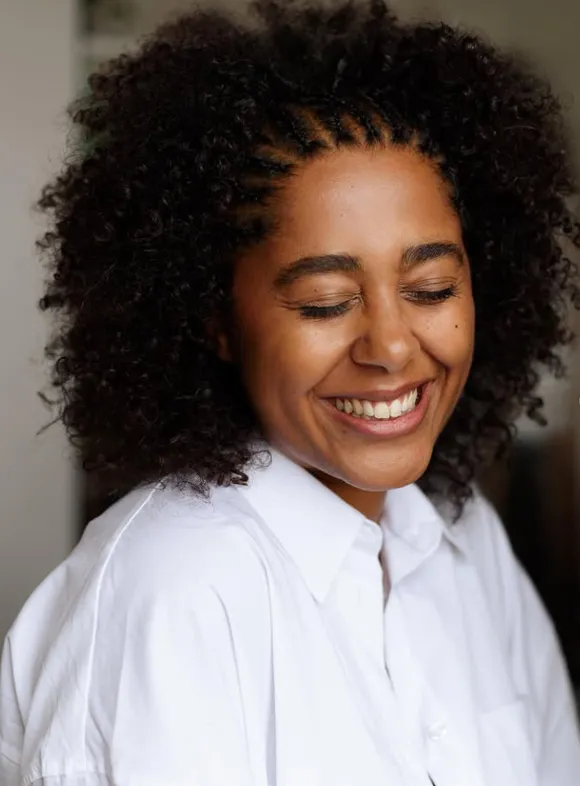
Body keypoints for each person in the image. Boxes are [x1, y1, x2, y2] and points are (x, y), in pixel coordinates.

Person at [1, 1, 579, 784]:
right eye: (325, 303)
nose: (392, 347)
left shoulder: (463, 537)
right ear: (216, 320)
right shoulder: (177, 589)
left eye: (432, 288)